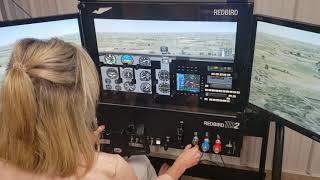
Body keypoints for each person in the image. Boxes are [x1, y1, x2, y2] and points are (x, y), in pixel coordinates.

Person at [0, 38, 201, 180]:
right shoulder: (110, 169)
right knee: (140, 161)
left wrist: (80, 144)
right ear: (79, 105)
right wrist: (176, 169)